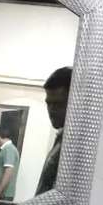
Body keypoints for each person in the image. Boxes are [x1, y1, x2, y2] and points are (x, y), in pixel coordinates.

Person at [36, 66, 72, 194]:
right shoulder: (61, 138)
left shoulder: (76, 146)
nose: (51, 110)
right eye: (48, 103)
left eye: (58, 104)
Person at [0, 126, 20, 201]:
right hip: (0, 194)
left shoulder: (9, 149)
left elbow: (8, 173)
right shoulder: (6, 149)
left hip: (3, 195)